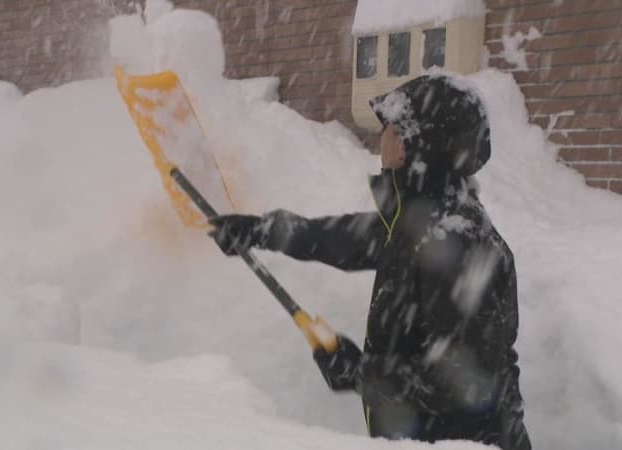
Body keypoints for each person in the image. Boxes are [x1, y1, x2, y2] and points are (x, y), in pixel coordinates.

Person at [208, 74, 531, 450]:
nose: (384, 138)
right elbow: (342, 238)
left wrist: (366, 374)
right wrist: (262, 230)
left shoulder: (457, 243)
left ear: (417, 146)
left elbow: (464, 382)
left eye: (392, 128)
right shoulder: (422, 222)